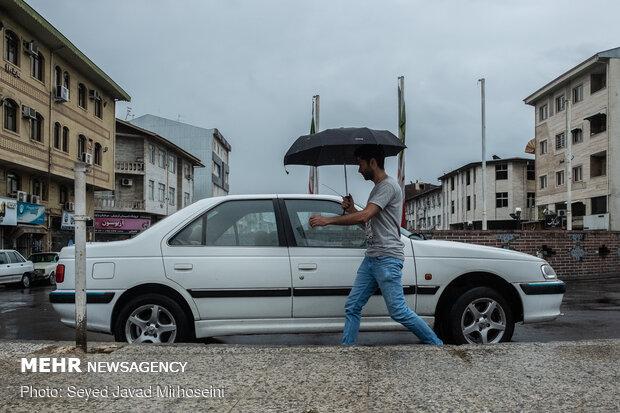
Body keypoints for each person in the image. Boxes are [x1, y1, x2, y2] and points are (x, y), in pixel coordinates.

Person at [309, 145, 443, 346]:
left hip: (387, 258)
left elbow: (366, 215)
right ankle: (347, 349)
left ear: (372, 162)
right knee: (353, 305)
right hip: (372, 258)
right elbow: (367, 222)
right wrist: (351, 208)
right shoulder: (378, 189)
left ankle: (436, 344)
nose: (358, 169)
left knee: (398, 311)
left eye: (360, 164)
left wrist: (328, 220)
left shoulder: (388, 186)